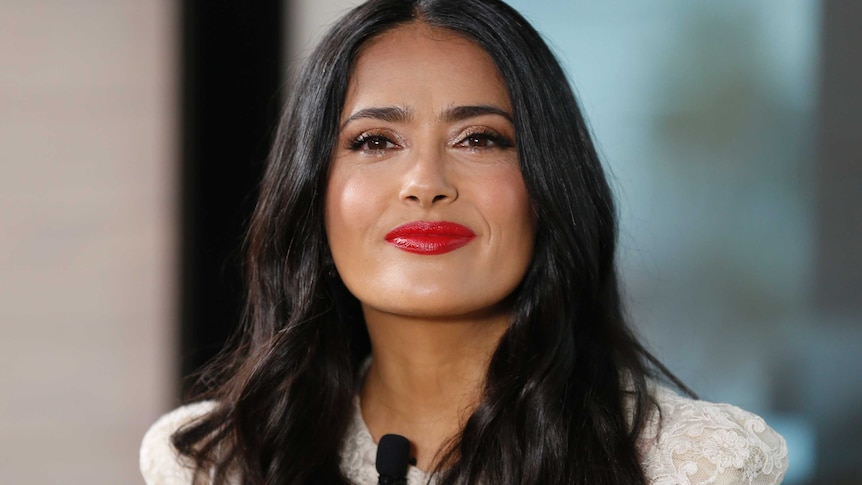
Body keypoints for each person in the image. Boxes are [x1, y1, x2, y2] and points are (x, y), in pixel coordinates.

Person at [140, 0, 789, 483]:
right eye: (375, 141)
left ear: (547, 181)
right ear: (311, 190)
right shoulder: (209, 460)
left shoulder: (700, 463)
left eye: (479, 138)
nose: (425, 182)